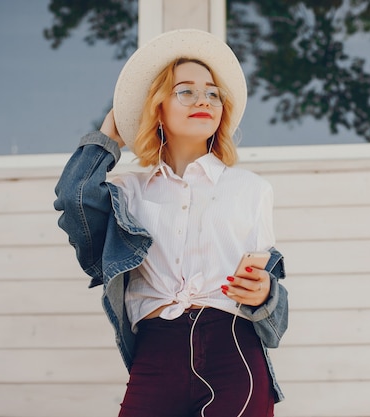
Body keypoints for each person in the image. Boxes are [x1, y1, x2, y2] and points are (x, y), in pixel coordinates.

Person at [54, 28, 288, 417]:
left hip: (234, 352)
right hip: (156, 352)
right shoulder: (127, 192)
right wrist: (108, 133)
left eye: (213, 93)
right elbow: (72, 198)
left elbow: (274, 304)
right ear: (157, 107)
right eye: (186, 91)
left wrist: (265, 292)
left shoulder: (252, 189)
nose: (204, 100)